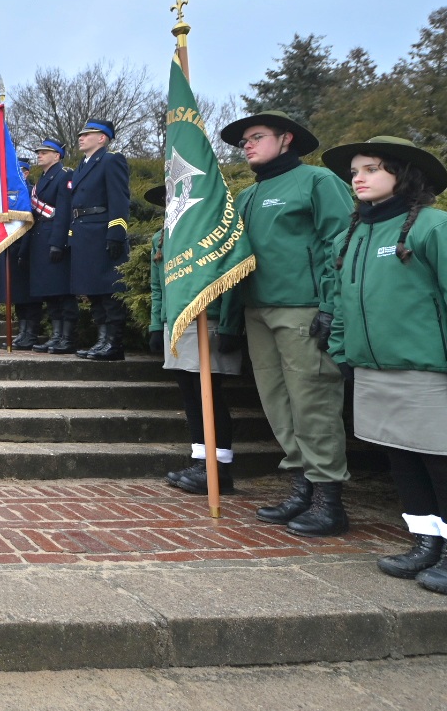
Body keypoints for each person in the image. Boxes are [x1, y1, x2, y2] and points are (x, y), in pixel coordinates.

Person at [324, 136, 447, 594]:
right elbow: (344, 301)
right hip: (373, 371)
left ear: (403, 174)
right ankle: (426, 543)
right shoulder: (355, 232)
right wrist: (343, 352)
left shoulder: (439, 227)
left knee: (446, 463)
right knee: (401, 459)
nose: (358, 178)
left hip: (430, 371)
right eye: (355, 171)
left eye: (371, 168)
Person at [221, 110, 354, 536]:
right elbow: (231, 265)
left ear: (286, 139)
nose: (248, 145)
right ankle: (302, 488)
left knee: (312, 401)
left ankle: (328, 500)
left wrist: (332, 306)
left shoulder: (318, 182)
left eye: (256, 137)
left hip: (303, 308)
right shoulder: (245, 198)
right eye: (244, 141)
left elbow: (343, 245)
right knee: (278, 403)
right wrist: (227, 321)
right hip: (256, 310)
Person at [144, 184, 245, 494]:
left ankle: (220, 469)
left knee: (209, 395)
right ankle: (201, 460)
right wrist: (155, 323)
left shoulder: (213, 233)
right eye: (166, 200)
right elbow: (158, 286)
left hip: (208, 319)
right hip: (175, 323)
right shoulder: (160, 239)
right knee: (189, 394)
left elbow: (234, 276)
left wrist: (229, 325)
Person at [50, 120, 130, 361]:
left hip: (101, 231)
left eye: (87, 134)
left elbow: (120, 198)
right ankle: (102, 340)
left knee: (108, 290)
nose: (81, 138)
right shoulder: (81, 166)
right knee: (93, 291)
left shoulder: (111, 160)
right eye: (80, 134)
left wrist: (116, 232)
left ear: (102, 138)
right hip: (83, 234)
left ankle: (114, 343)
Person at [28, 139, 77, 353]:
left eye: (45, 152)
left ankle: (67, 338)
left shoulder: (64, 174)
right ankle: (56, 336)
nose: (39, 155)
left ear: (57, 156)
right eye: (38, 152)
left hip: (54, 238)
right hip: (41, 238)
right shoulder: (43, 178)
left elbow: (64, 211)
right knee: (49, 291)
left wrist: (58, 242)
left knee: (62, 291)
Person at [2, 149, 42, 349]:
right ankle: (22, 331)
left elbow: (31, 224)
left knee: (28, 295)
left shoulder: (29, 193)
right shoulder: (5, 195)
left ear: (25, 173)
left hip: (26, 247)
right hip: (9, 247)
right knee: (17, 294)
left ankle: (31, 333)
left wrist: (24, 250)